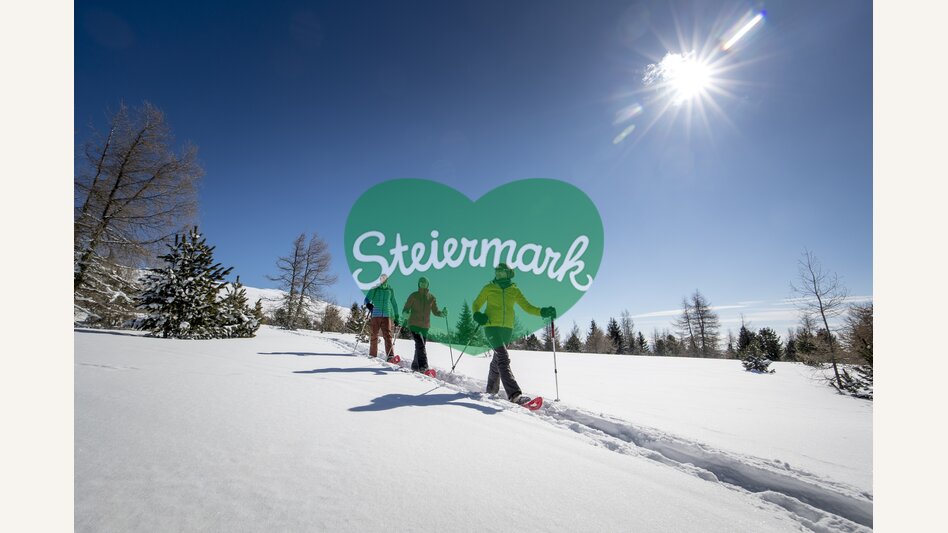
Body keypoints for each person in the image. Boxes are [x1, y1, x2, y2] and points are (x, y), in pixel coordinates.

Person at [472, 263, 555, 404]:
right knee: (503, 357)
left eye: (501, 271)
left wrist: (543, 311)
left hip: (507, 330)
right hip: (491, 327)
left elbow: (527, 307)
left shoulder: (514, 290)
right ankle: (514, 395)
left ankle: (491, 390)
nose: (497, 273)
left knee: (497, 359)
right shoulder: (489, 287)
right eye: (496, 271)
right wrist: (477, 315)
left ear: (509, 273)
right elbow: (476, 304)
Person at [401, 276, 447, 373]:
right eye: (421, 282)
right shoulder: (413, 295)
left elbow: (435, 311)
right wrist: (405, 313)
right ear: (418, 284)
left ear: (428, 284)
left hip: (425, 326)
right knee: (420, 344)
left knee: (420, 346)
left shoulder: (431, 297)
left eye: (425, 282)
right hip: (413, 323)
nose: (423, 283)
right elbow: (406, 308)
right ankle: (423, 367)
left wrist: (442, 314)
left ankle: (415, 365)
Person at [363, 274, 400, 361]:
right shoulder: (375, 288)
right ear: (380, 279)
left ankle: (390, 356)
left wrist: (397, 317)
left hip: (387, 315)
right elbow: (366, 299)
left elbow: (394, 304)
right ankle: (372, 355)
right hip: (376, 314)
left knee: (388, 335)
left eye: (385, 278)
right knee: (374, 334)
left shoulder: (390, 290)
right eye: (382, 278)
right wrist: (369, 305)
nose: (383, 279)